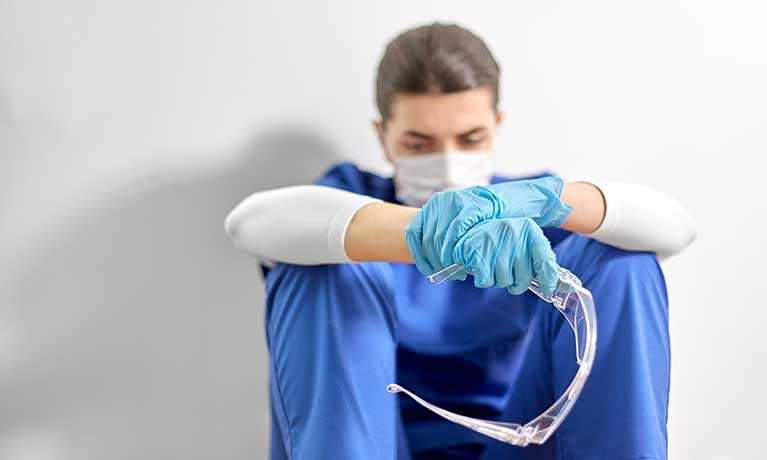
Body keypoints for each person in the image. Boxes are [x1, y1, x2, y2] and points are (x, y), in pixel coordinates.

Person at [225, 23, 695, 460]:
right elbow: (247, 225)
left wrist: (546, 200)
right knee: (320, 264)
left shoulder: (531, 216)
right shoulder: (351, 199)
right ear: (383, 137)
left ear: (497, 124)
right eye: (418, 143)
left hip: (524, 441)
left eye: (470, 138)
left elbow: (677, 229)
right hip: (373, 443)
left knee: (621, 263)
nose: (448, 162)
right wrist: (426, 235)